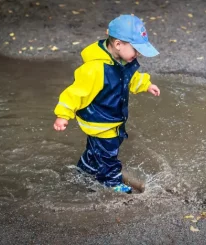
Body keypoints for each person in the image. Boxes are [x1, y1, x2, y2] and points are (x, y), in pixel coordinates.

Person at [53, 14, 160, 194]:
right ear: (118, 44)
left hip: (108, 119)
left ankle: (84, 169)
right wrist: (63, 115)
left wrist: (146, 85)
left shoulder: (122, 61)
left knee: (96, 149)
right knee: (109, 155)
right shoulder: (95, 68)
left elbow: (130, 79)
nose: (139, 53)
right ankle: (111, 182)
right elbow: (75, 92)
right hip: (101, 121)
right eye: (136, 49)